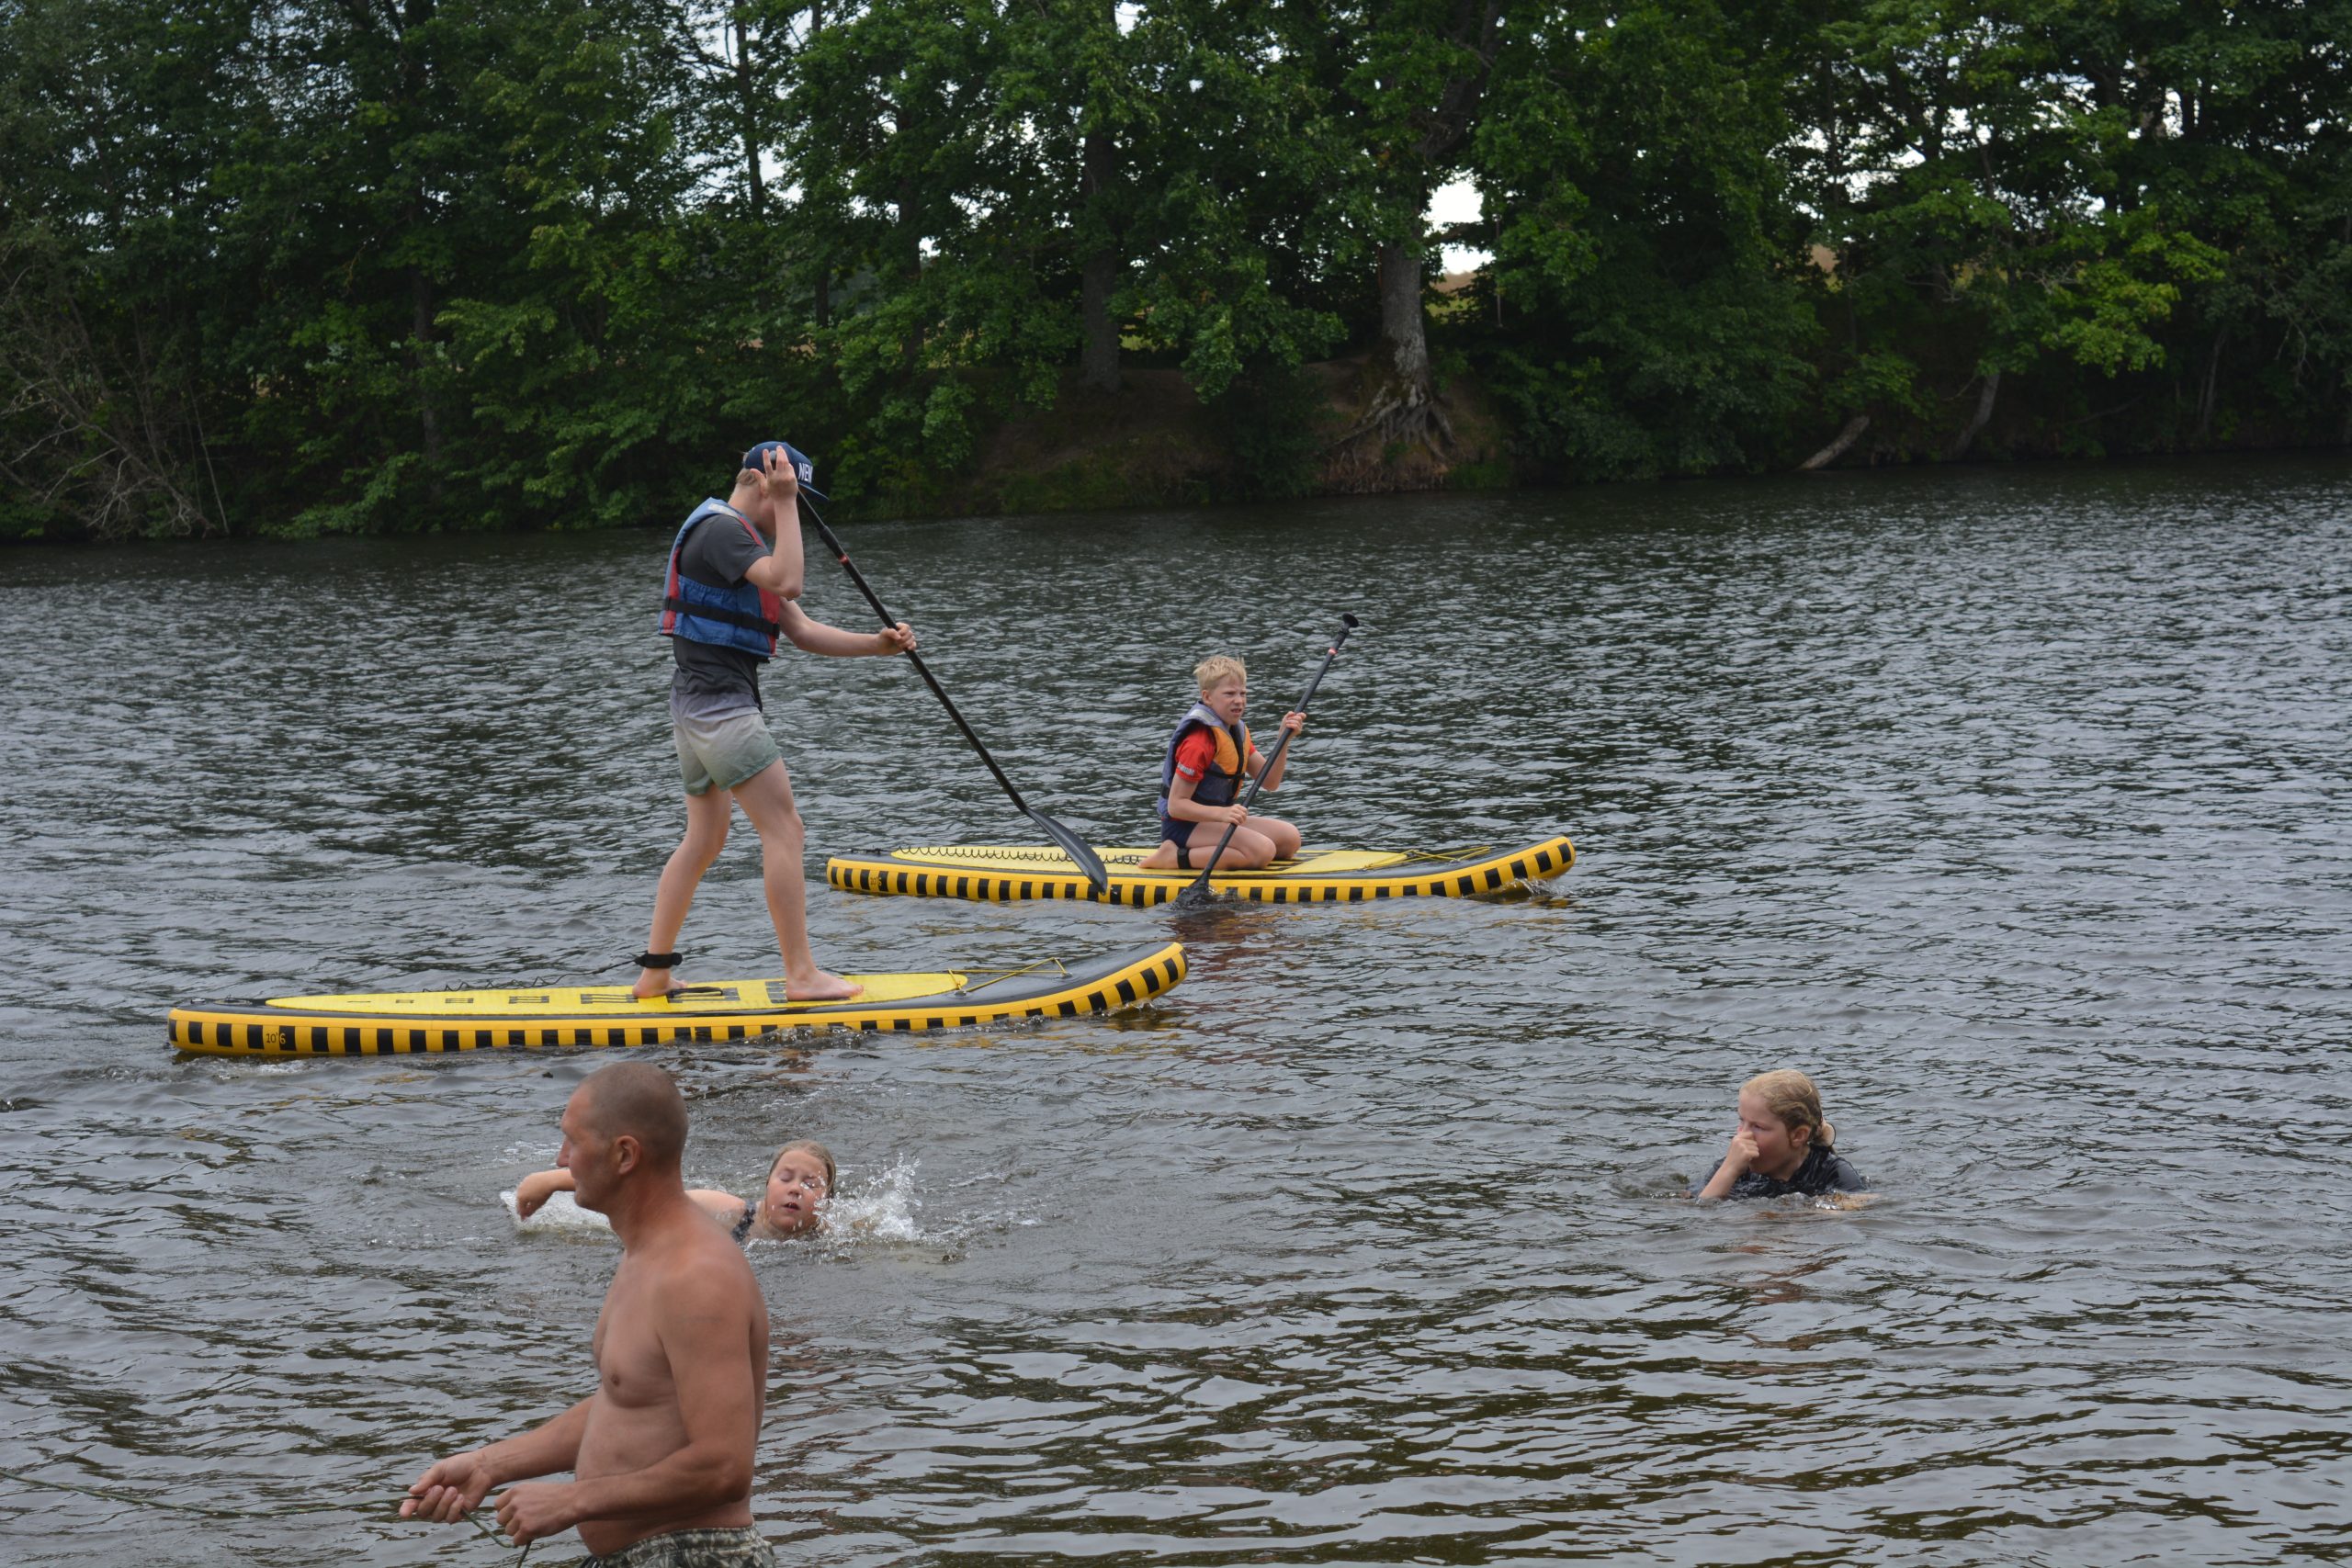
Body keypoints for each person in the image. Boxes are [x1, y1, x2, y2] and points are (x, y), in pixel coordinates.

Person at [402, 1062, 776, 1564]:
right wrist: (490, 1465)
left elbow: (724, 1468)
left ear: (624, 1154)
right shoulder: (646, 1254)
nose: (562, 1159)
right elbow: (629, 1402)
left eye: (572, 1141)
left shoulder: (697, 1275)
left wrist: (572, 1500)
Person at [634, 440, 916, 1003]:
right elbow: (790, 581)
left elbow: (802, 629)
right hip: (720, 707)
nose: (797, 513)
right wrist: (787, 502)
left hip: (694, 706)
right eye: (793, 498)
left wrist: (878, 645)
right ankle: (801, 975)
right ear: (765, 483)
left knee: (705, 839)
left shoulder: (736, 542)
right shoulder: (723, 532)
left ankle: (655, 973)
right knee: (785, 830)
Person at [1136, 655, 1306, 872]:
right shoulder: (1198, 742)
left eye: (1243, 693)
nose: (1239, 700)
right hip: (1183, 827)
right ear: (1207, 697)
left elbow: (1271, 782)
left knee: (1289, 839)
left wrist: (1284, 740)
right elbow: (1176, 805)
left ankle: (1229, 849)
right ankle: (1173, 857)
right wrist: (1222, 814)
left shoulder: (1235, 731)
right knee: (1262, 851)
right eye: (1229, 694)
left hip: (1216, 821)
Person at [516, 1138, 837, 1243]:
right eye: (785, 1178)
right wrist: (552, 1182)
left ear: (826, 1201)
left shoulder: (834, 1233)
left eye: (810, 1184)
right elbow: (647, 1187)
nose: (795, 1189)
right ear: (767, 1186)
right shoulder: (731, 1214)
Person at [1696, 1069, 1868, 1200]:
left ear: (1798, 1135)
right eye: (1742, 1121)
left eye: (1758, 1127)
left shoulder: (1833, 1173)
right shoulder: (1729, 1168)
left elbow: (1859, 1207)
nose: (1741, 1136)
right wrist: (1729, 1171)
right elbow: (1700, 1212)